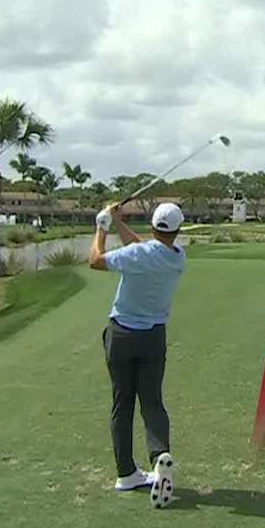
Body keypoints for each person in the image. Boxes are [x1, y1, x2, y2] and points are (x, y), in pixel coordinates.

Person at [88, 200, 187, 509]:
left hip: (121, 336)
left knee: (122, 403)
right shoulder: (177, 257)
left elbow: (95, 260)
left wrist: (101, 227)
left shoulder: (138, 256)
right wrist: (118, 223)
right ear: (178, 230)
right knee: (152, 401)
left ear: (153, 225)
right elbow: (146, 248)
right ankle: (160, 456)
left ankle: (126, 473)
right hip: (153, 338)